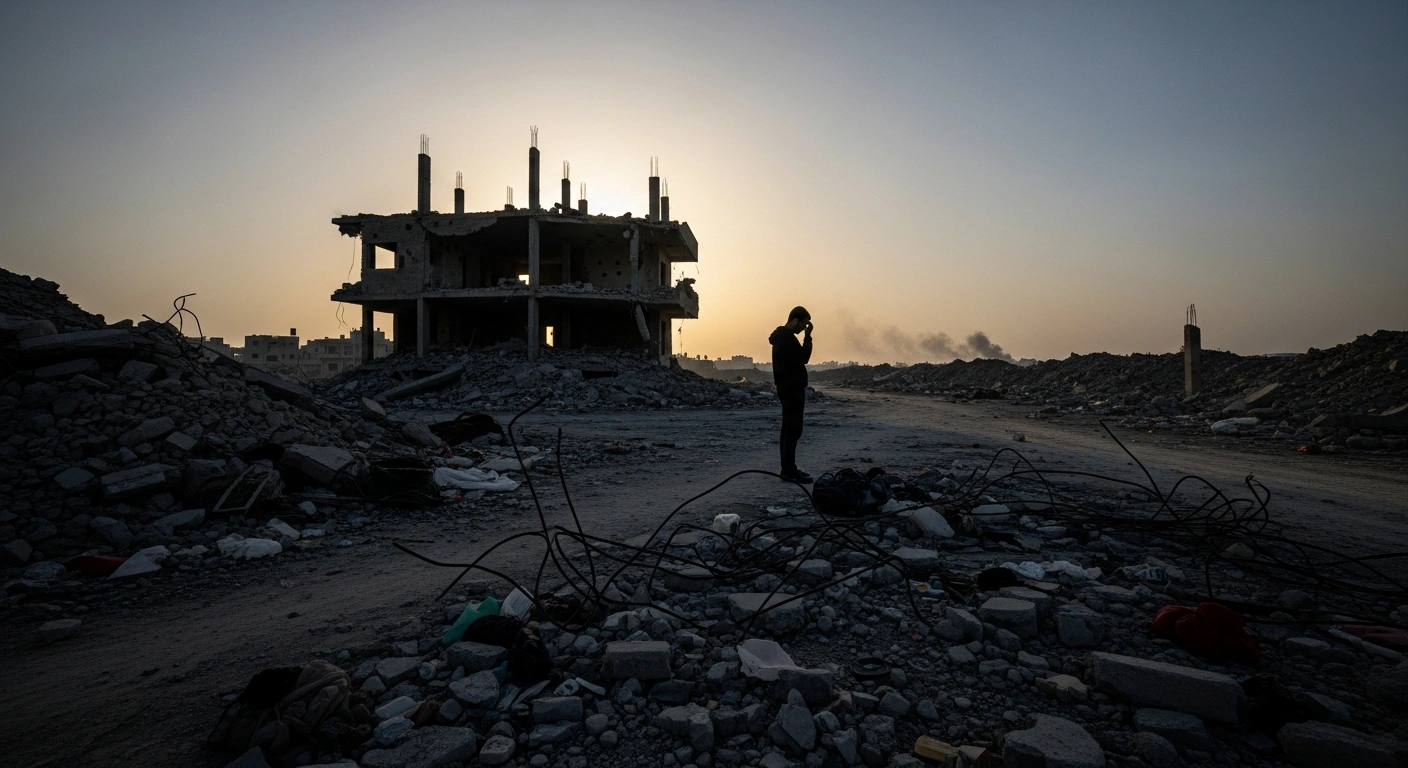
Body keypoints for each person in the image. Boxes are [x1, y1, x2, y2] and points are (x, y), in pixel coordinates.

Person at [768, 306, 813, 483]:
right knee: (793, 429)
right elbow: (804, 358)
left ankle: (788, 468)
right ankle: (789, 470)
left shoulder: (781, 337)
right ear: (795, 320)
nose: (802, 329)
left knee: (788, 429)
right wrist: (808, 337)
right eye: (802, 325)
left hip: (787, 387)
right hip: (792, 388)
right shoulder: (786, 339)